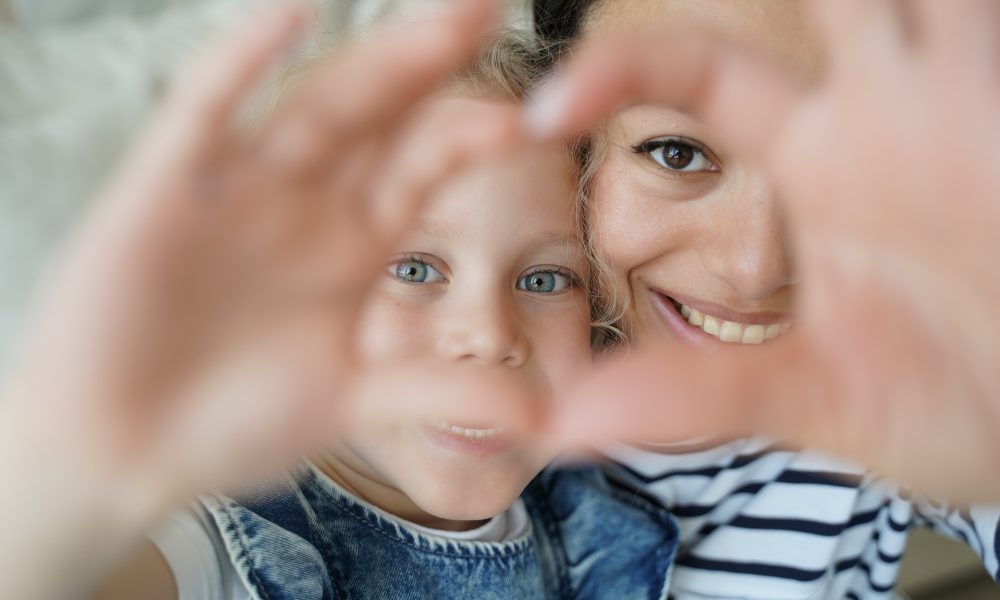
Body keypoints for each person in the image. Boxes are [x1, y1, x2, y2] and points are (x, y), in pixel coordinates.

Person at [88, 26, 679, 600]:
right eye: (413, 269)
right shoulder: (221, 537)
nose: (487, 334)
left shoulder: (600, 530)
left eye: (544, 279)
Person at [527, 0, 1000, 598]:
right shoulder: (462, 387)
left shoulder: (894, 387)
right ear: (565, 145)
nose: (757, 271)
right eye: (677, 152)